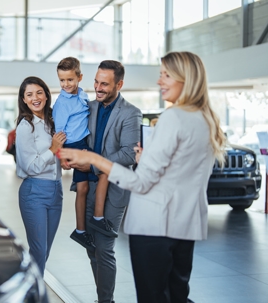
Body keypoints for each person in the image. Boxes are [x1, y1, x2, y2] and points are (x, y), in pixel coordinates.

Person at [58, 51, 227, 303]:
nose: (159, 81)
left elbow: (141, 182)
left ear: (187, 78)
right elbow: (181, 172)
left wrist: (93, 160)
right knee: (176, 293)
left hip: (154, 222)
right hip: (185, 222)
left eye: (166, 75)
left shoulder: (171, 116)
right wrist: (144, 159)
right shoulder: (206, 118)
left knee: (152, 294)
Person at [65, 60, 142, 303]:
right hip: (87, 186)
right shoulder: (88, 107)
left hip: (115, 189)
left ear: (119, 84)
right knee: (92, 247)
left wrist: (94, 163)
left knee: (105, 248)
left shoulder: (131, 113)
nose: (97, 87)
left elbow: (129, 154)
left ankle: (105, 301)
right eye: (96, 82)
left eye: (104, 84)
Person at [53, 57, 117, 252]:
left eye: (70, 80)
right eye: (62, 80)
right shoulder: (62, 104)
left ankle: (84, 227)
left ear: (80, 78)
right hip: (74, 146)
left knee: (87, 185)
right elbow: (58, 133)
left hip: (84, 145)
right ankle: (90, 224)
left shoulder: (81, 95)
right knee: (96, 177)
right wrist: (62, 156)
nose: (66, 85)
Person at [15, 76, 66, 277]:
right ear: (24, 100)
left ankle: (30, 290)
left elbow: (58, 155)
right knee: (39, 250)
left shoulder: (54, 121)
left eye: (39, 92)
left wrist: (64, 158)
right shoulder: (26, 126)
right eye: (29, 95)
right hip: (34, 191)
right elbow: (30, 167)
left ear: (46, 94)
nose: (35, 98)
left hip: (56, 190)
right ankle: (34, 295)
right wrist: (53, 149)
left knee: (45, 251)